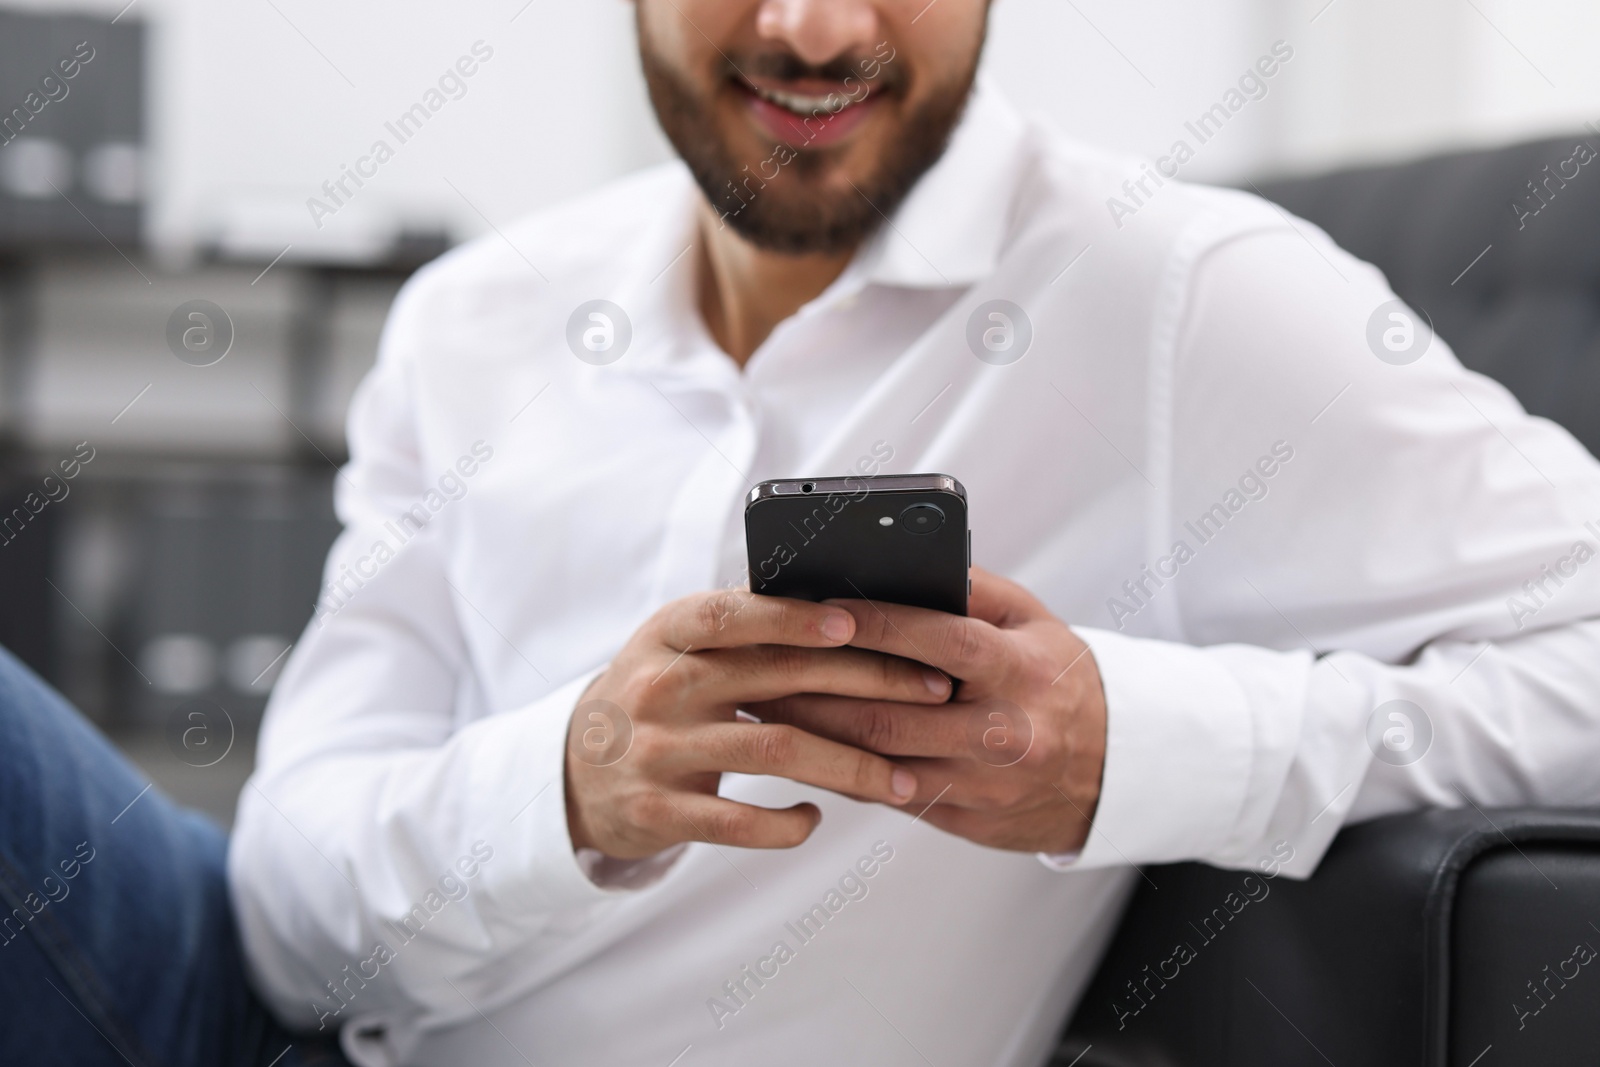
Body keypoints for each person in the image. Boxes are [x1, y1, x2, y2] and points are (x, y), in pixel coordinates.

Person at [7, 1, 1600, 1065]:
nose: (818, 30)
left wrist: (1137, 748)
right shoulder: (474, 317)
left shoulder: (1178, 296)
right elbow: (285, 919)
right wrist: (568, 788)